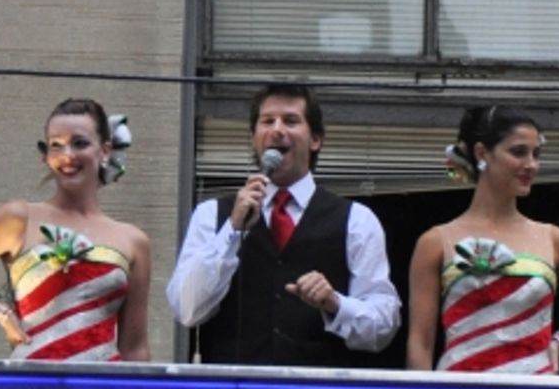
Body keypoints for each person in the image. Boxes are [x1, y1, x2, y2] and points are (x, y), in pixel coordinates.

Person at [167, 82, 400, 367]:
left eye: (291, 121)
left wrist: (335, 303)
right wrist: (232, 229)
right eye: (267, 121)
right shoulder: (211, 215)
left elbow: (384, 327)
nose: (277, 130)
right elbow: (187, 310)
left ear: (315, 139)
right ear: (254, 138)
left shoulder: (357, 220)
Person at [0, 98, 150, 362]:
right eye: (55, 145)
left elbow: (135, 349)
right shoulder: (19, 219)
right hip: (32, 388)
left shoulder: (133, 241)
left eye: (79, 143)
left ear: (105, 150)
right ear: (46, 155)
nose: (67, 154)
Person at [406, 105, 559, 373]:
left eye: (536, 154)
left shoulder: (554, 238)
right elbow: (420, 342)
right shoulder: (435, 241)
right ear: (482, 153)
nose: (531, 165)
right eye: (518, 152)